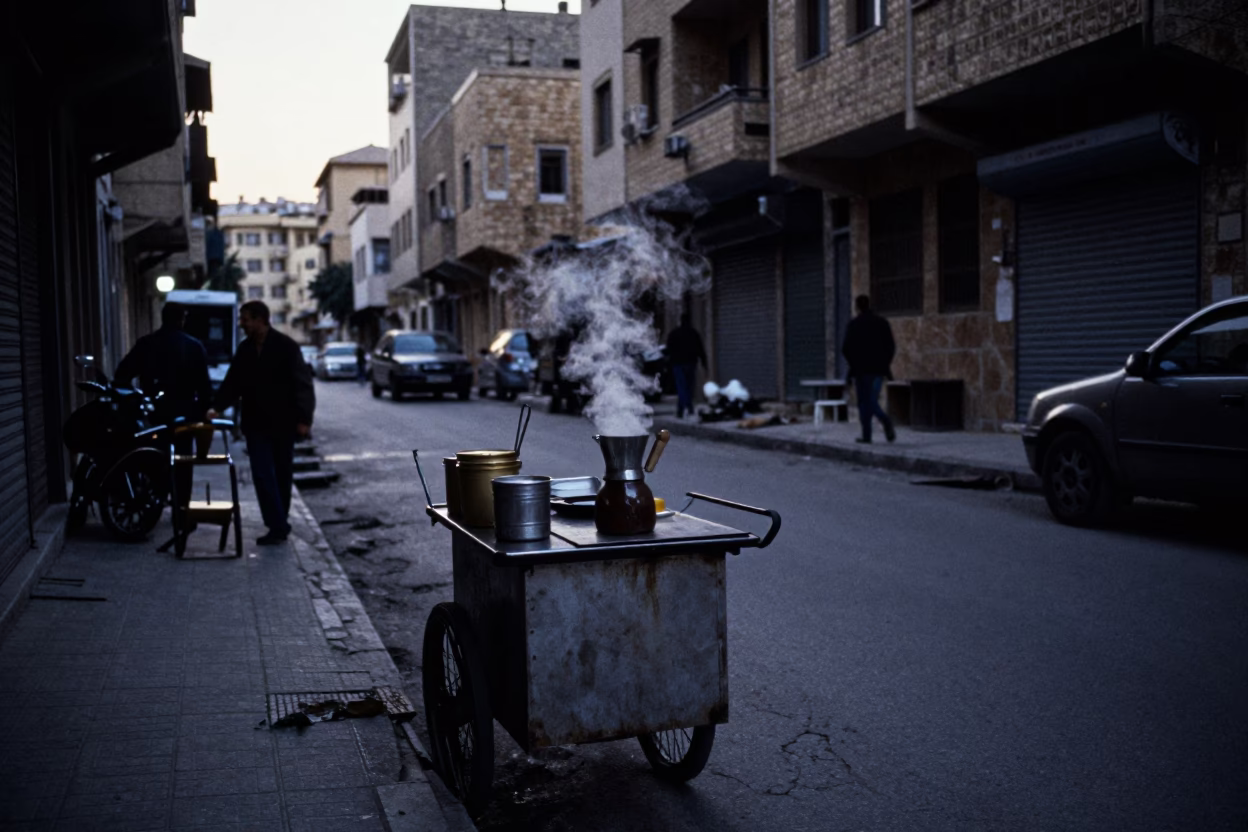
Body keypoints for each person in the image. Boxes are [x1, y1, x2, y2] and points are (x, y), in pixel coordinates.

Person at [207, 300, 315, 545]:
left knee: (282, 475)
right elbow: (232, 383)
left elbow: (303, 385)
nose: (242, 324)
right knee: (262, 473)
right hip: (256, 424)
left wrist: (304, 419)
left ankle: (279, 523)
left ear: (260, 320)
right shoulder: (245, 350)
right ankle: (277, 524)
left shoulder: (286, 346)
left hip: (284, 423)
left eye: (245, 319)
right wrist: (216, 407)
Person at [114, 301, 213, 507]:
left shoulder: (146, 344)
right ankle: (182, 505)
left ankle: (155, 500)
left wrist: (134, 399)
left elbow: (122, 375)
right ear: (182, 319)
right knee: (183, 462)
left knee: (153, 457)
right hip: (185, 414)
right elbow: (204, 387)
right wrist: (203, 415)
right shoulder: (194, 346)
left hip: (154, 414)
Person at [841, 294, 896, 444]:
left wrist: (854, 363)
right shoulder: (882, 323)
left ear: (857, 307)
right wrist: (885, 363)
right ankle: (881, 425)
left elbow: (845, 348)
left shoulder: (853, 325)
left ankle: (870, 432)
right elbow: (891, 347)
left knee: (864, 402)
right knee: (871, 400)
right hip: (878, 370)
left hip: (861, 370)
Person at [665, 312, 707, 420]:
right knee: (688, 386)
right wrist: (704, 363)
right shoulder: (694, 333)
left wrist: (669, 362)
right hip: (691, 363)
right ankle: (687, 408)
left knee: (681, 387)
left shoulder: (674, 333)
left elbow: (668, 349)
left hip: (678, 364)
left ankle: (683, 409)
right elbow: (700, 349)